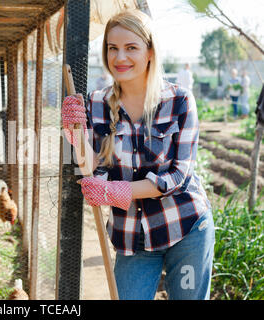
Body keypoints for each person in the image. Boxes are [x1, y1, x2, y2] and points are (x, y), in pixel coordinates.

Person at [61, 9, 214, 300]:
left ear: (150, 52)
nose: (120, 58)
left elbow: (178, 177)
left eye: (131, 48)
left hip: (186, 228)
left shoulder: (179, 100)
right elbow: (93, 168)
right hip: (132, 237)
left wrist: (115, 192)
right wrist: (74, 133)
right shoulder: (95, 103)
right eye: (112, 48)